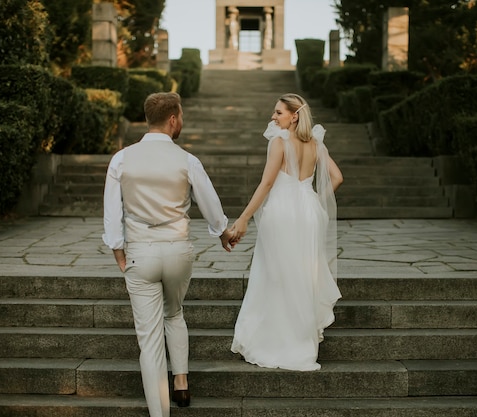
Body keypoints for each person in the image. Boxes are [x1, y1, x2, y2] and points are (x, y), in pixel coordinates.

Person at [102, 92, 234, 417]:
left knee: (149, 340)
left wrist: (118, 249)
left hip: (139, 252)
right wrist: (223, 233)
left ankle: (160, 413)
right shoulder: (187, 160)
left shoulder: (121, 159)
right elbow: (212, 207)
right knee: (174, 314)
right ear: (173, 119)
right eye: (182, 116)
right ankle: (182, 382)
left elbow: (110, 211)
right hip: (178, 250)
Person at [229, 93, 343, 371]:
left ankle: (278, 342)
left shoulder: (279, 142)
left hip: (282, 213)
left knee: (276, 276)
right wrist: (316, 198)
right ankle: (303, 343)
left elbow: (267, 183)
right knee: (303, 276)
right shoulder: (315, 143)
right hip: (309, 212)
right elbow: (338, 177)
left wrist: (243, 218)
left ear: (294, 116)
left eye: (278, 112)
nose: (273, 117)